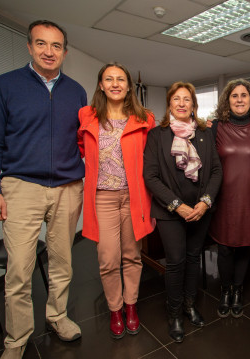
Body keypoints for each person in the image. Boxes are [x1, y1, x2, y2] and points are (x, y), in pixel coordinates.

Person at [0, 20, 86, 359]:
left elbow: (82, 140)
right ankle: (17, 338)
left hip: (68, 187)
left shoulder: (76, 91)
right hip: (20, 187)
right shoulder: (5, 85)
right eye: (41, 44)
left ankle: (57, 316)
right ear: (29, 47)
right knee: (20, 269)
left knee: (62, 261)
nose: (48, 51)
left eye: (56, 46)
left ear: (65, 52)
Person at [77, 63, 156, 339]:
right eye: (108, 79)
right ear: (100, 84)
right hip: (103, 198)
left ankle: (131, 306)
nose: (115, 83)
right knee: (108, 258)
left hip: (134, 196)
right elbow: (79, 146)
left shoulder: (144, 117)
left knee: (132, 255)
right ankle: (115, 308)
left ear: (128, 85)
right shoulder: (87, 115)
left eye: (120, 79)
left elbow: (152, 156)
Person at [143, 82, 222, 343]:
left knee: (192, 258)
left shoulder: (205, 134)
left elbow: (215, 171)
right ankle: (174, 313)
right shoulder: (157, 136)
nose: (181, 103)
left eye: (186, 99)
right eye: (176, 99)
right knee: (175, 262)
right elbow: (151, 176)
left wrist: (205, 202)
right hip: (170, 211)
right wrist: (178, 205)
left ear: (193, 105)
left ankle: (189, 305)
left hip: (201, 210)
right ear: (169, 104)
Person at [209, 79, 250, 318]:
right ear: (227, 100)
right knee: (224, 248)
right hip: (223, 198)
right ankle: (225, 290)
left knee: (245, 246)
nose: (240, 99)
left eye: (244, 95)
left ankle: (238, 290)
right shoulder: (215, 127)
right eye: (234, 96)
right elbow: (209, 165)